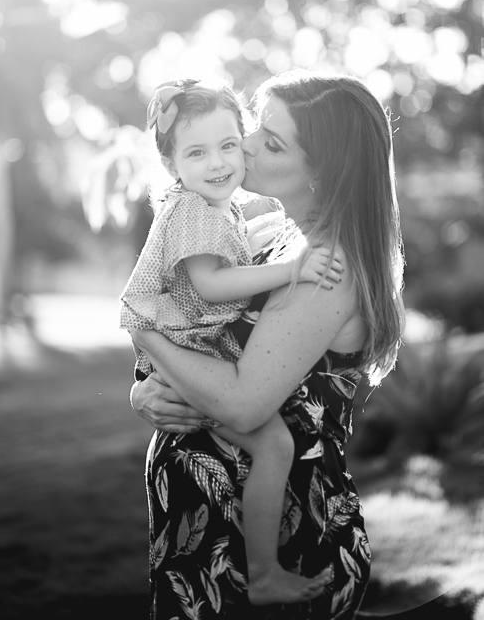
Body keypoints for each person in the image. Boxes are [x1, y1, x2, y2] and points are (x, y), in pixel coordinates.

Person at [130, 70, 405, 620]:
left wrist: (144, 334)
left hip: (281, 538)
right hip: (206, 532)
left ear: (326, 174)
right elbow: (205, 335)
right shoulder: (280, 238)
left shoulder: (330, 267)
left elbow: (242, 404)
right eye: (256, 126)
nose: (244, 147)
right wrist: (144, 393)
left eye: (271, 143)